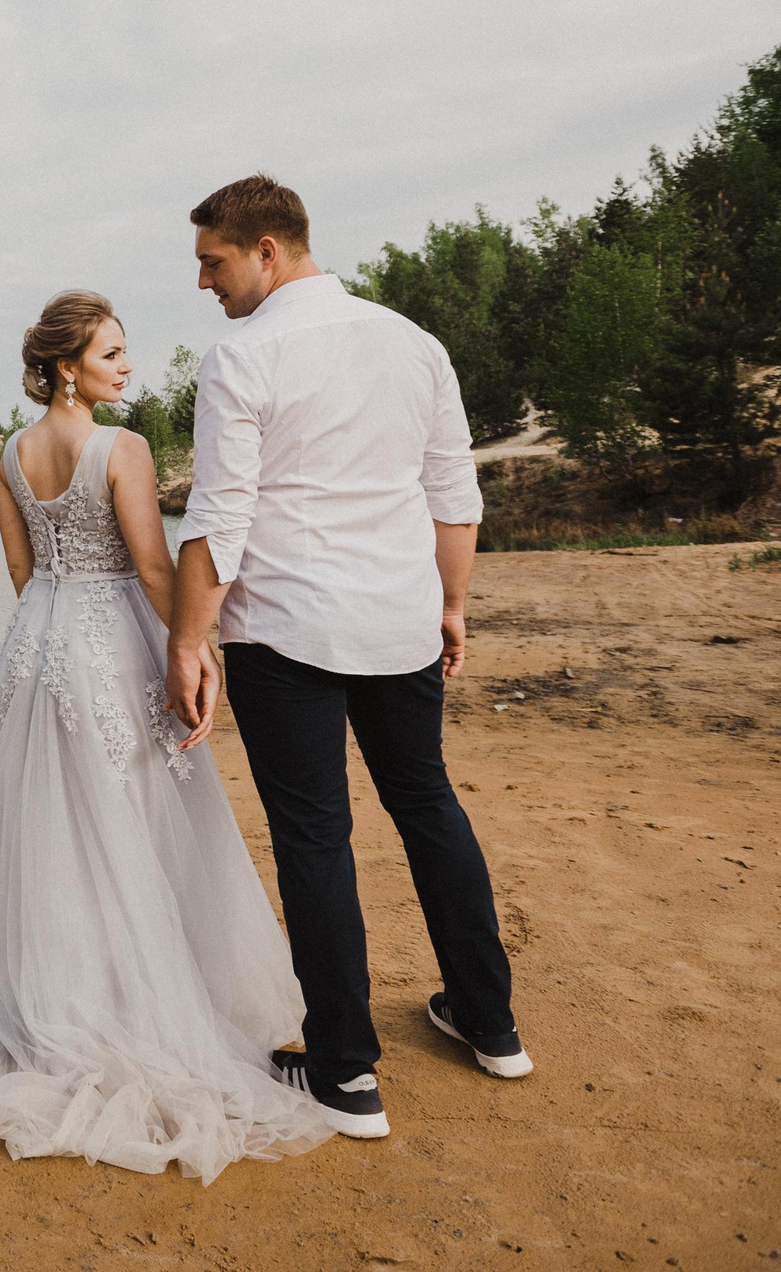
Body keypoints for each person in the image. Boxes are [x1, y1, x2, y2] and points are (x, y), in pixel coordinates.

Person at [0, 289, 335, 1183]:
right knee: (131, 819)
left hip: (36, 650)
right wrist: (195, 648)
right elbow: (150, 563)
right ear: (68, 366)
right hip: (110, 643)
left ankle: (50, 987)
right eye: (112, 353)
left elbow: (23, 570)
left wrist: (54, 638)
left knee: (54, 829)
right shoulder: (121, 449)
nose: (127, 366)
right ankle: (131, 1001)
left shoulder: (12, 456)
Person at [166, 174, 532, 1143]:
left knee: (314, 839)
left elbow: (219, 519)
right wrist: (451, 604)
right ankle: (490, 1024)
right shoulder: (413, 344)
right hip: (399, 620)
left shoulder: (242, 358)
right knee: (427, 803)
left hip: (288, 631)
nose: (205, 284)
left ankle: (343, 1072)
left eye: (213, 263)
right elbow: (453, 496)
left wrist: (186, 639)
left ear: (267, 253)